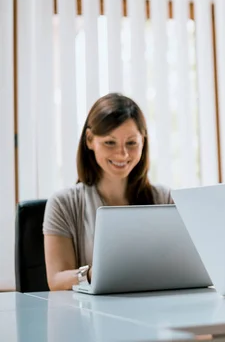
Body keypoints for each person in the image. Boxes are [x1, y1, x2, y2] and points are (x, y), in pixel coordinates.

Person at [43, 93, 172, 291]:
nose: (123, 154)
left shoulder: (165, 199)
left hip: (154, 311)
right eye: (109, 143)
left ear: (143, 141)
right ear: (89, 140)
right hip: (90, 316)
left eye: (131, 143)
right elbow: (56, 281)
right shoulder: (63, 203)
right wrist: (95, 272)